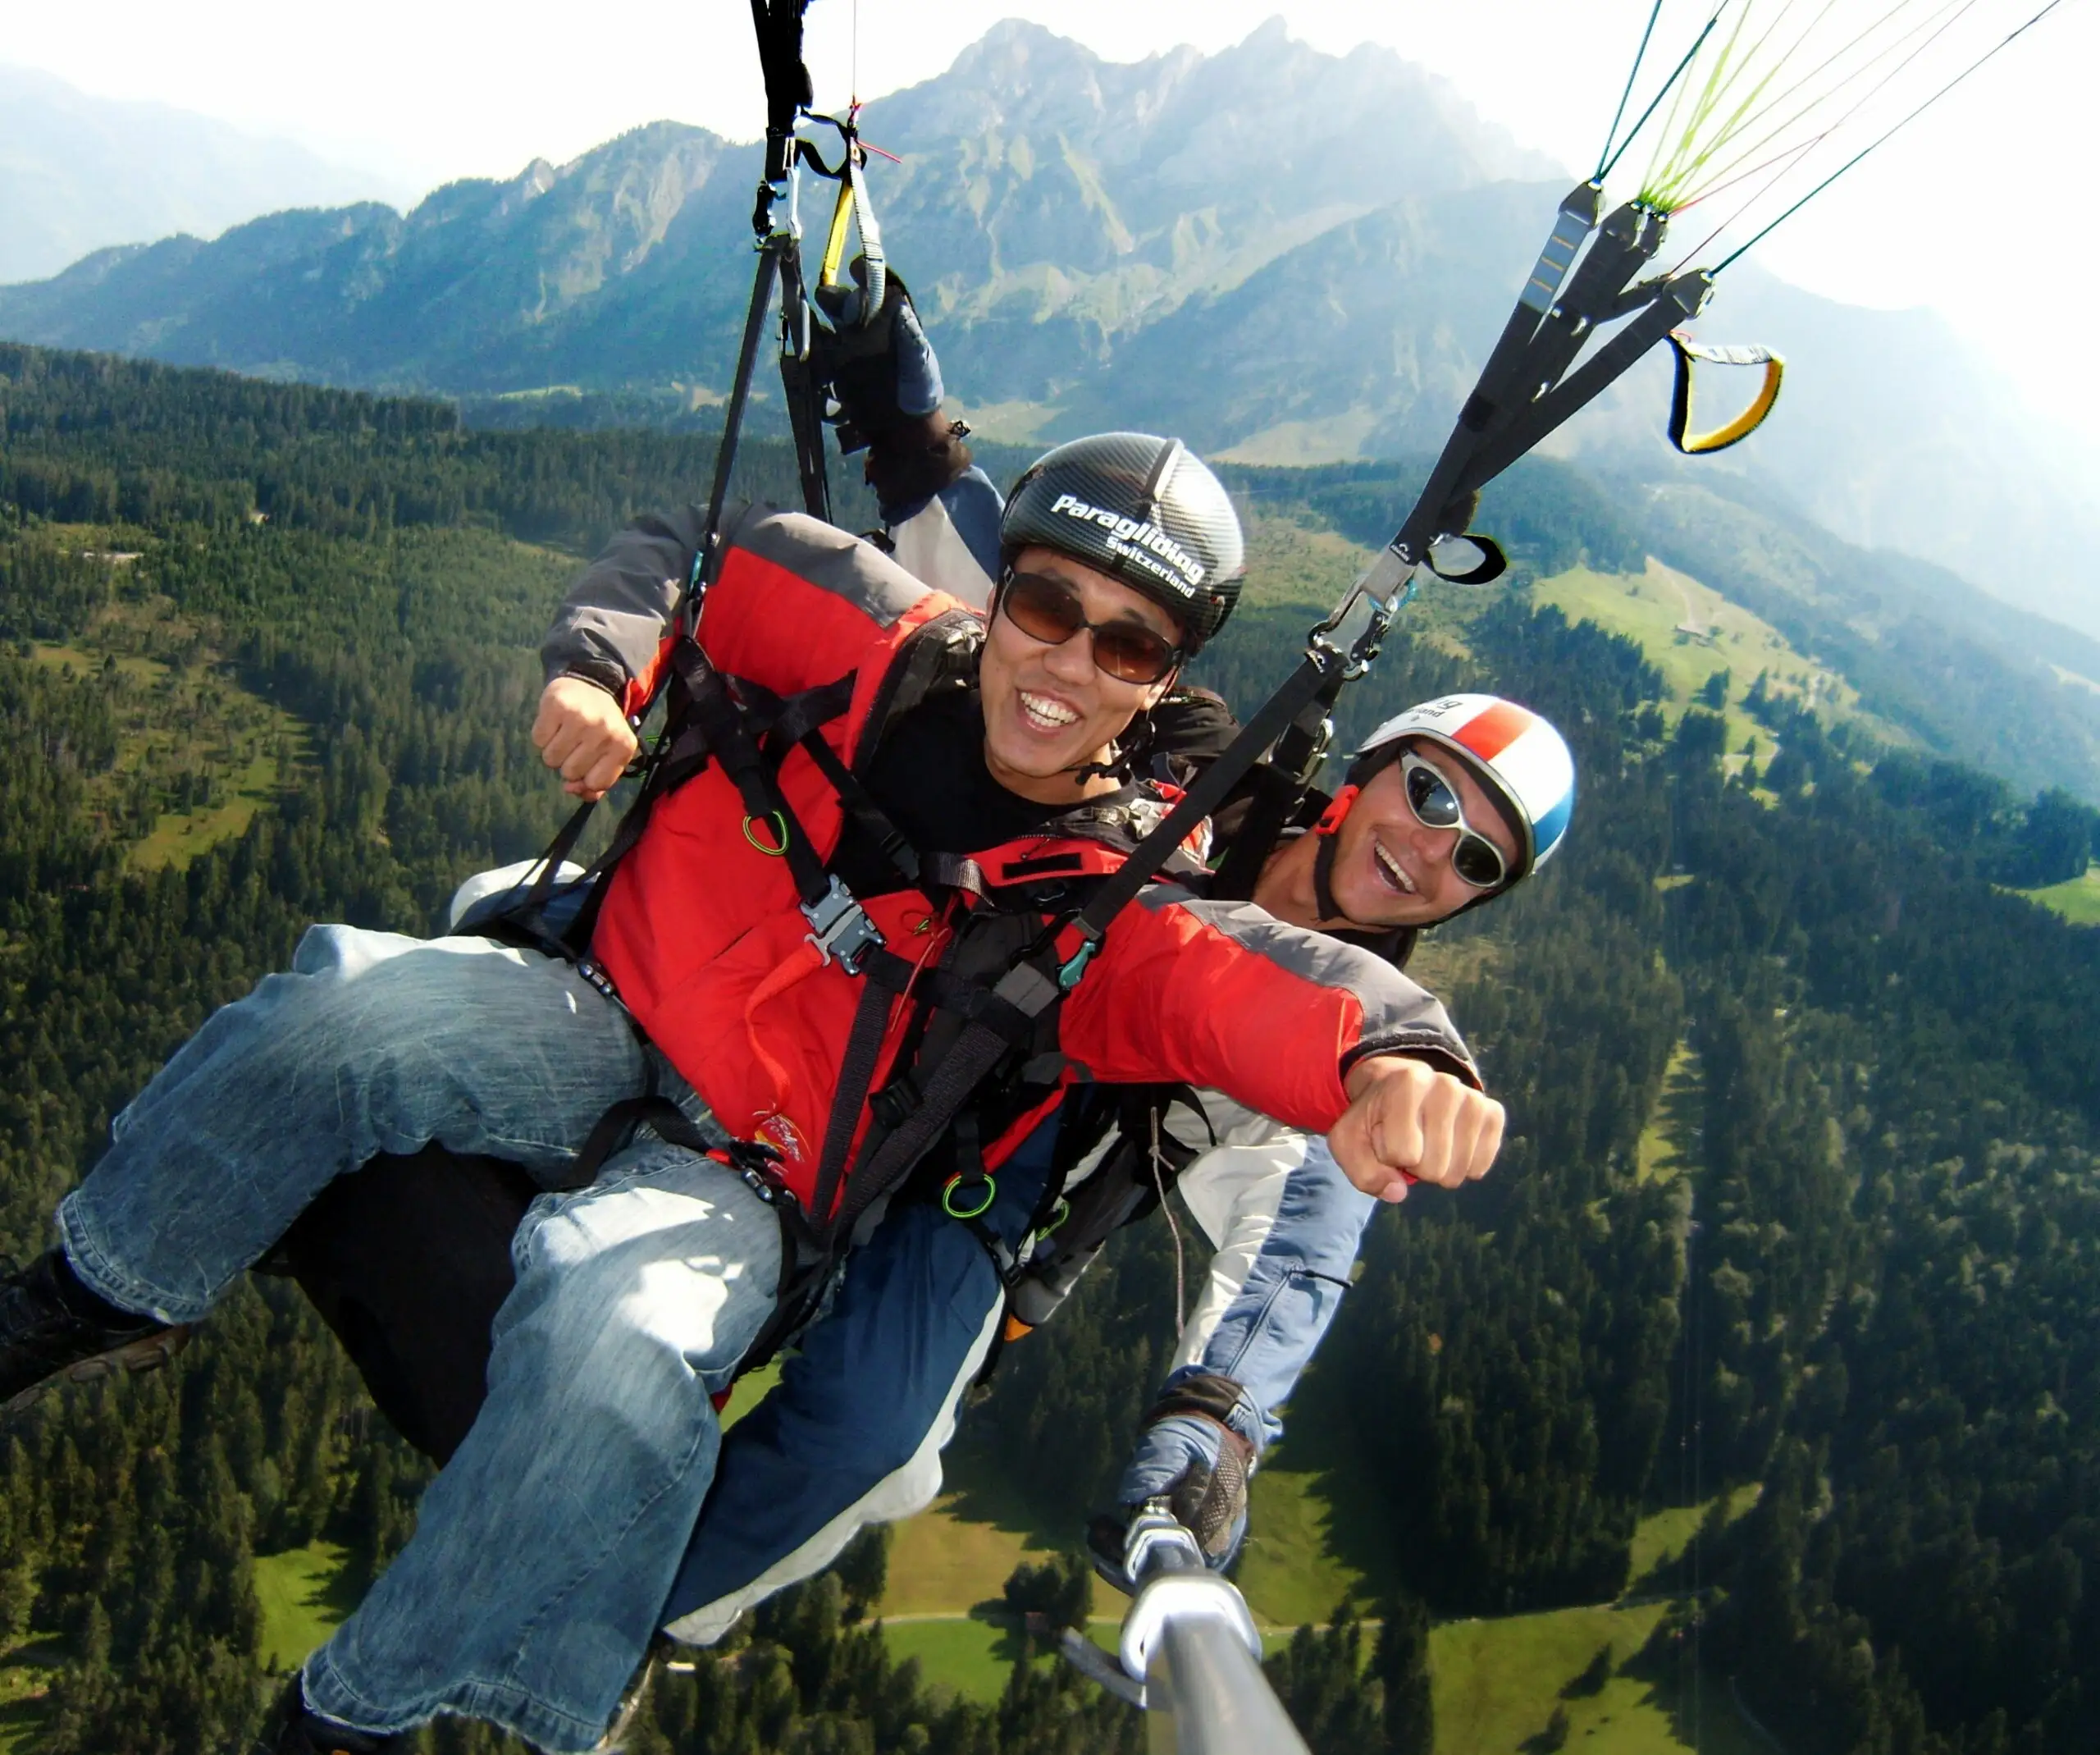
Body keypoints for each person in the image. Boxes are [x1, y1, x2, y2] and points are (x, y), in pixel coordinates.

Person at [0, 431, 1500, 1753]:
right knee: (345, 1008)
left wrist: (1397, 1053)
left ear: (1165, 680)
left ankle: (360, 1708)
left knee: (616, 1344)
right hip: (600, 1003)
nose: (1066, 664)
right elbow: (700, 554)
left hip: (745, 1174)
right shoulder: (871, 635)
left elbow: (1251, 981)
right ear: (998, 591)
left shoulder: (1108, 900)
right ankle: (105, 1284)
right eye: (1048, 606)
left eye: (1125, 645)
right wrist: (601, 668)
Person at [659, 692, 1575, 1638]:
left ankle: (628, 1611)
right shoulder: (1202, 769)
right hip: (896, 1023)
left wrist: (1214, 1428)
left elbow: (1298, 1246)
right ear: (1367, 771)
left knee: (874, 1442)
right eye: (1429, 794)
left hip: (993, 1193)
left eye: (1475, 859)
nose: (1429, 848)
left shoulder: (1355, 1065)